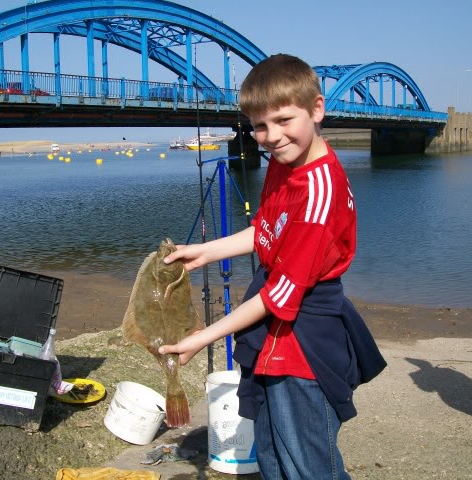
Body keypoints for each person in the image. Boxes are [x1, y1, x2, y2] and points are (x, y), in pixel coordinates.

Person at [158, 54, 386, 479]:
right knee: (270, 453)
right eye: (260, 126)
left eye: (284, 120)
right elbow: (267, 230)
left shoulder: (319, 189)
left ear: (317, 109)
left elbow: (279, 295)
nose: (272, 137)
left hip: (305, 344)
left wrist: (202, 338)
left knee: (307, 464)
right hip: (273, 335)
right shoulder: (286, 164)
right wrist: (206, 252)